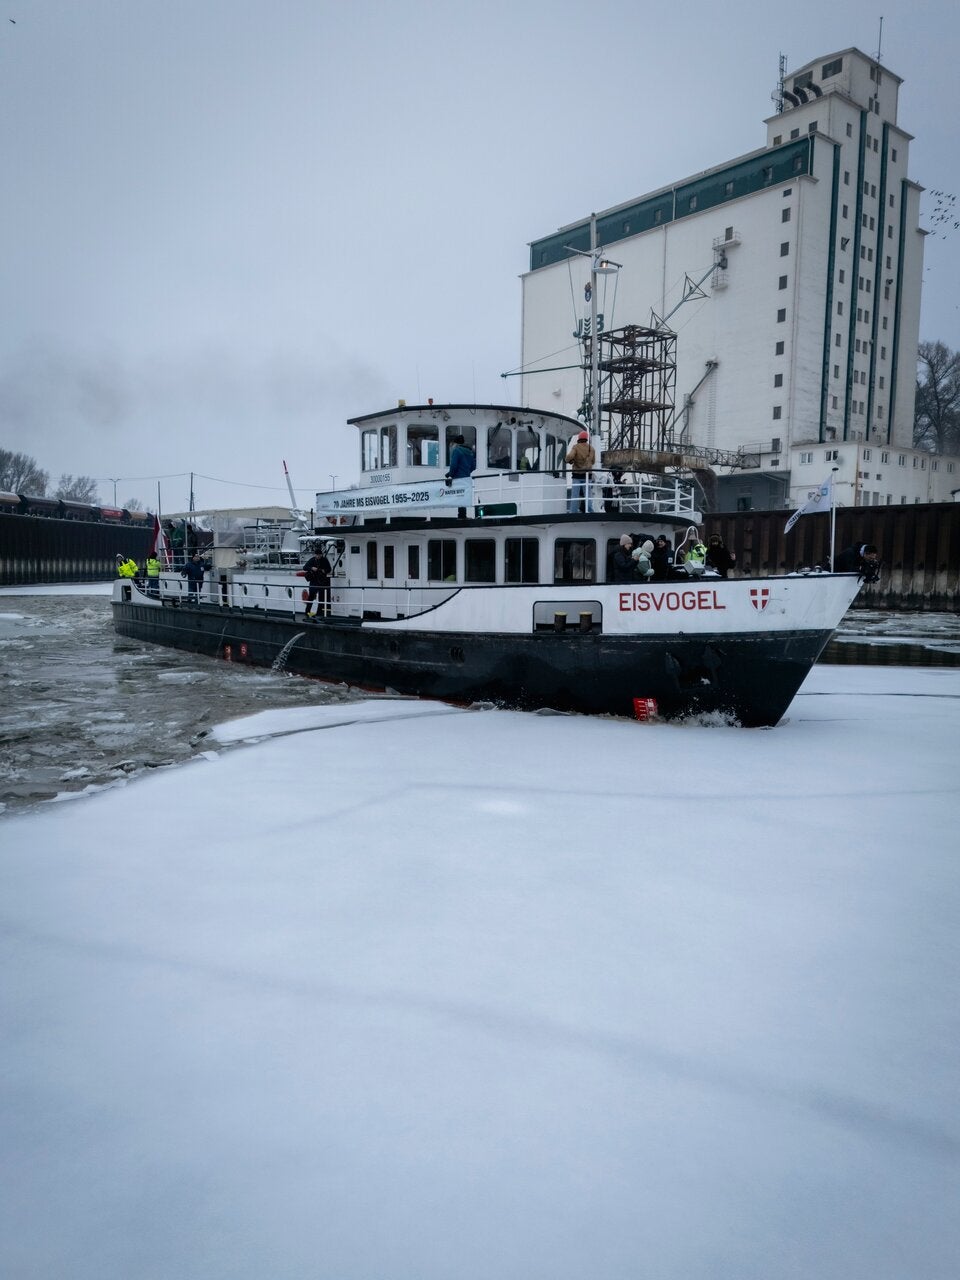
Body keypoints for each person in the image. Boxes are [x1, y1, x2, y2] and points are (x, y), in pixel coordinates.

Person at [445, 434, 476, 518]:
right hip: (466, 477)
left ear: (456, 443)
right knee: (463, 495)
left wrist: (450, 475)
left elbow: (454, 465)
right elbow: (473, 466)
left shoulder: (457, 451)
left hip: (458, 478)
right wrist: (466, 472)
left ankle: (461, 515)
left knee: (459, 495)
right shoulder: (470, 452)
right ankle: (463, 514)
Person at [565, 430, 596, 513]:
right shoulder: (591, 449)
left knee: (575, 495)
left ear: (579, 438)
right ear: (587, 439)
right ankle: (590, 511)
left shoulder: (576, 447)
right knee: (588, 495)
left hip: (577, 475)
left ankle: (573, 512)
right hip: (587, 475)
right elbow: (593, 461)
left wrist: (568, 460)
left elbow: (569, 456)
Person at [302, 542, 332, 619]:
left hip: (322, 581)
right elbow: (305, 567)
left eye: (319, 555)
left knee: (321, 598)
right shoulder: (312, 560)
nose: (318, 556)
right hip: (314, 581)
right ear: (315, 555)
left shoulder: (324, 560)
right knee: (311, 597)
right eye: (317, 555)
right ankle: (307, 612)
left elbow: (329, 569)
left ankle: (319, 613)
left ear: (321, 554)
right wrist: (312, 568)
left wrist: (323, 571)